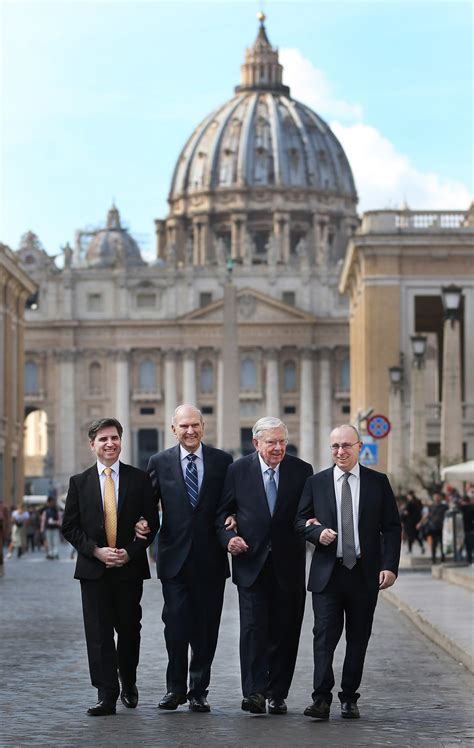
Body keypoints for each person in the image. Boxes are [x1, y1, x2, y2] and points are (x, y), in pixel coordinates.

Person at [295, 424, 401, 721]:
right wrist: (316, 533)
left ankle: (349, 698)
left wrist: (389, 567)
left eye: (346, 446)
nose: (340, 452)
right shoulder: (316, 483)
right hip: (328, 573)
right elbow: (300, 521)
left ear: (358, 447)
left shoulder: (377, 482)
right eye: (335, 447)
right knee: (323, 637)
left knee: (358, 638)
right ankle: (321, 699)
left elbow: (392, 528)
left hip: (365, 574)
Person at [135, 404, 233, 713]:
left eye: (195, 425)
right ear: (174, 430)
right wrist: (138, 524)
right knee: (175, 625)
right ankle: (175, 688)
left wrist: (235, 517)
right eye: (184, 426)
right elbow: (148, 506)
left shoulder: (222, 462)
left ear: (204, 427)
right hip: (174, 558)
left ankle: (198, 689)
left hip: (211, 559)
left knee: (206, 627)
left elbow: (232, 501)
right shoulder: (159, 462)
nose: (190, 431)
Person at [216, 416, 313, 715]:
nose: (278, 448)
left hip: (289, 564)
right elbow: (222, 514)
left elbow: (308, 511)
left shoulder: (302, 470)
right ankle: (254, 692)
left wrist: (314, 523)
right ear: (256, 443)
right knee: (253, 629)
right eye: (271, 442)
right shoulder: (237, 470)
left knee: (286, 630)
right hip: (251, 562)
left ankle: (277, 693)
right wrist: (229, 537)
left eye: (282, 441)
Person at [62, 417, 159, 716]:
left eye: (114, 438)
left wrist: (129, 552)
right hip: (94, 570)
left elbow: (150, 524)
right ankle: (106, 694)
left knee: (130, 630)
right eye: (103, 439)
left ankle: (127, 681)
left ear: (121, 441)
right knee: (99, 632)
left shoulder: (140, 479)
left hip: (129, 569)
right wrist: (96, 551)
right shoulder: (79, 483)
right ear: (93, 445)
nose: (110, 443)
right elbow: (70, 527)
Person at [427, 492, 448, 563]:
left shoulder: (444, 506)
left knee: (442, 543)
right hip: (433, 527)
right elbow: (429, 515)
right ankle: (433, 559)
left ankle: (443, 558)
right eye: (435, 496)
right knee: (434, 544)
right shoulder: (431, 506)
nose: (436, 498)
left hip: (442, 527)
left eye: (437, 496)